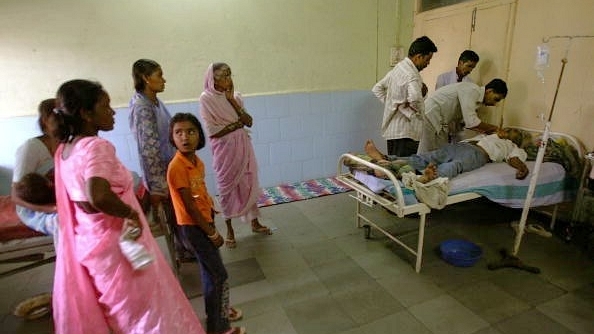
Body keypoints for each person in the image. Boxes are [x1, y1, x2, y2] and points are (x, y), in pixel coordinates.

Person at [51, 79, 205, 334]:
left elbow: (83, 200)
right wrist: (131, 212)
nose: (112, 112)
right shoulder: (95, 147)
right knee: (146, 311)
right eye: (105, 106)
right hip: (116, 244)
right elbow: (97, 195)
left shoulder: (66, 150)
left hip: (91, 243)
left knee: (122, 315)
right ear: (85, 113)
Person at [167, 112, 246, 334]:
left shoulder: (196, 162)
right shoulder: (177, 167)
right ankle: (218, 327)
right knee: (219, 274)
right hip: (194, 228)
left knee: (209, 271)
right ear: (172, 137)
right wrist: (212, 233)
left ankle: (219, 310)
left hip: (203, 222)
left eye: (190, 131)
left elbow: (197, 195)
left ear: (199, 135)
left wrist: (211, 209)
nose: (185, 137)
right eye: (178, 132)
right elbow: (189, 208)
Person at [199, 62, 271, 248]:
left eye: (230, 75)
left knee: (248, 183)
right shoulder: (206, 98)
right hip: (224, 152)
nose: (228, 80)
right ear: (212, 79)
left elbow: (248, 121)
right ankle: (229, 229)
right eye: (223, 76)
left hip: (243, 148)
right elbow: (212, 131)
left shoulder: (236, 97)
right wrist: (235, 125)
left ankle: (255, 222)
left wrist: (231, 100)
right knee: (225, 188)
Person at [129, 58, 192, 263]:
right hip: (161, 174)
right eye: (159, 75)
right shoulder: (143, 107)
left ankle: (185, 248)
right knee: (174, 215)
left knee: (179, 212)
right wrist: (158, 186)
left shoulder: (154, 102)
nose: (164, 80)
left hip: (170, 167)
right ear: (146, 78)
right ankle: (183, 250)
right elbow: (149, 150)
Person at [362, 127, 529, 181]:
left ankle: (429, 178)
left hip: (477, 155)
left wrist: (522, 168)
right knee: (428, 157)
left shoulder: (513, 147)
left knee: (454, 166)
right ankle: (387, 159)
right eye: (507, 129)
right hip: (461, 146)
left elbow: (515, 159)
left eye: (512, 132)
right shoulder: (489, 135)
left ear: (517, 139)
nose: (507, 131)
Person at [372, 36, 438, 156]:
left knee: (394, 167)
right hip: (407, 131)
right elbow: (415, 99)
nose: (428, 63)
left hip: (392, 130)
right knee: (404, 168)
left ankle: (379, 160)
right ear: (418, 57)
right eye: (427, 59)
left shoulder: (398, 69)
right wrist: (411, 113)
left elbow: (377, 88)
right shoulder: (412, 74)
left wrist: (392, 105)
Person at [418, 78, 508, 154]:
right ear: (489, 91)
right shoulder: (473, 90)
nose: (494, 104)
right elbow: (471, 122)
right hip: (431, 113)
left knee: (440, 152)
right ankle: (413, 173)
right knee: (426, 151)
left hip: (441, 121)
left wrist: (487, 131)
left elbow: (464, 122)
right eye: (496, 99)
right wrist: (495, 128)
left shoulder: (476, 101)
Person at [11, 98, 59, 237]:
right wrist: (49, 209)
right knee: (66, 223)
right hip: (33, 209)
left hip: (57, 200)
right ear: (45, 120)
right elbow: (15, 196)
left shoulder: (66, 144)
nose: (63, 121)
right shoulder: (31, 148)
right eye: (57, 116)